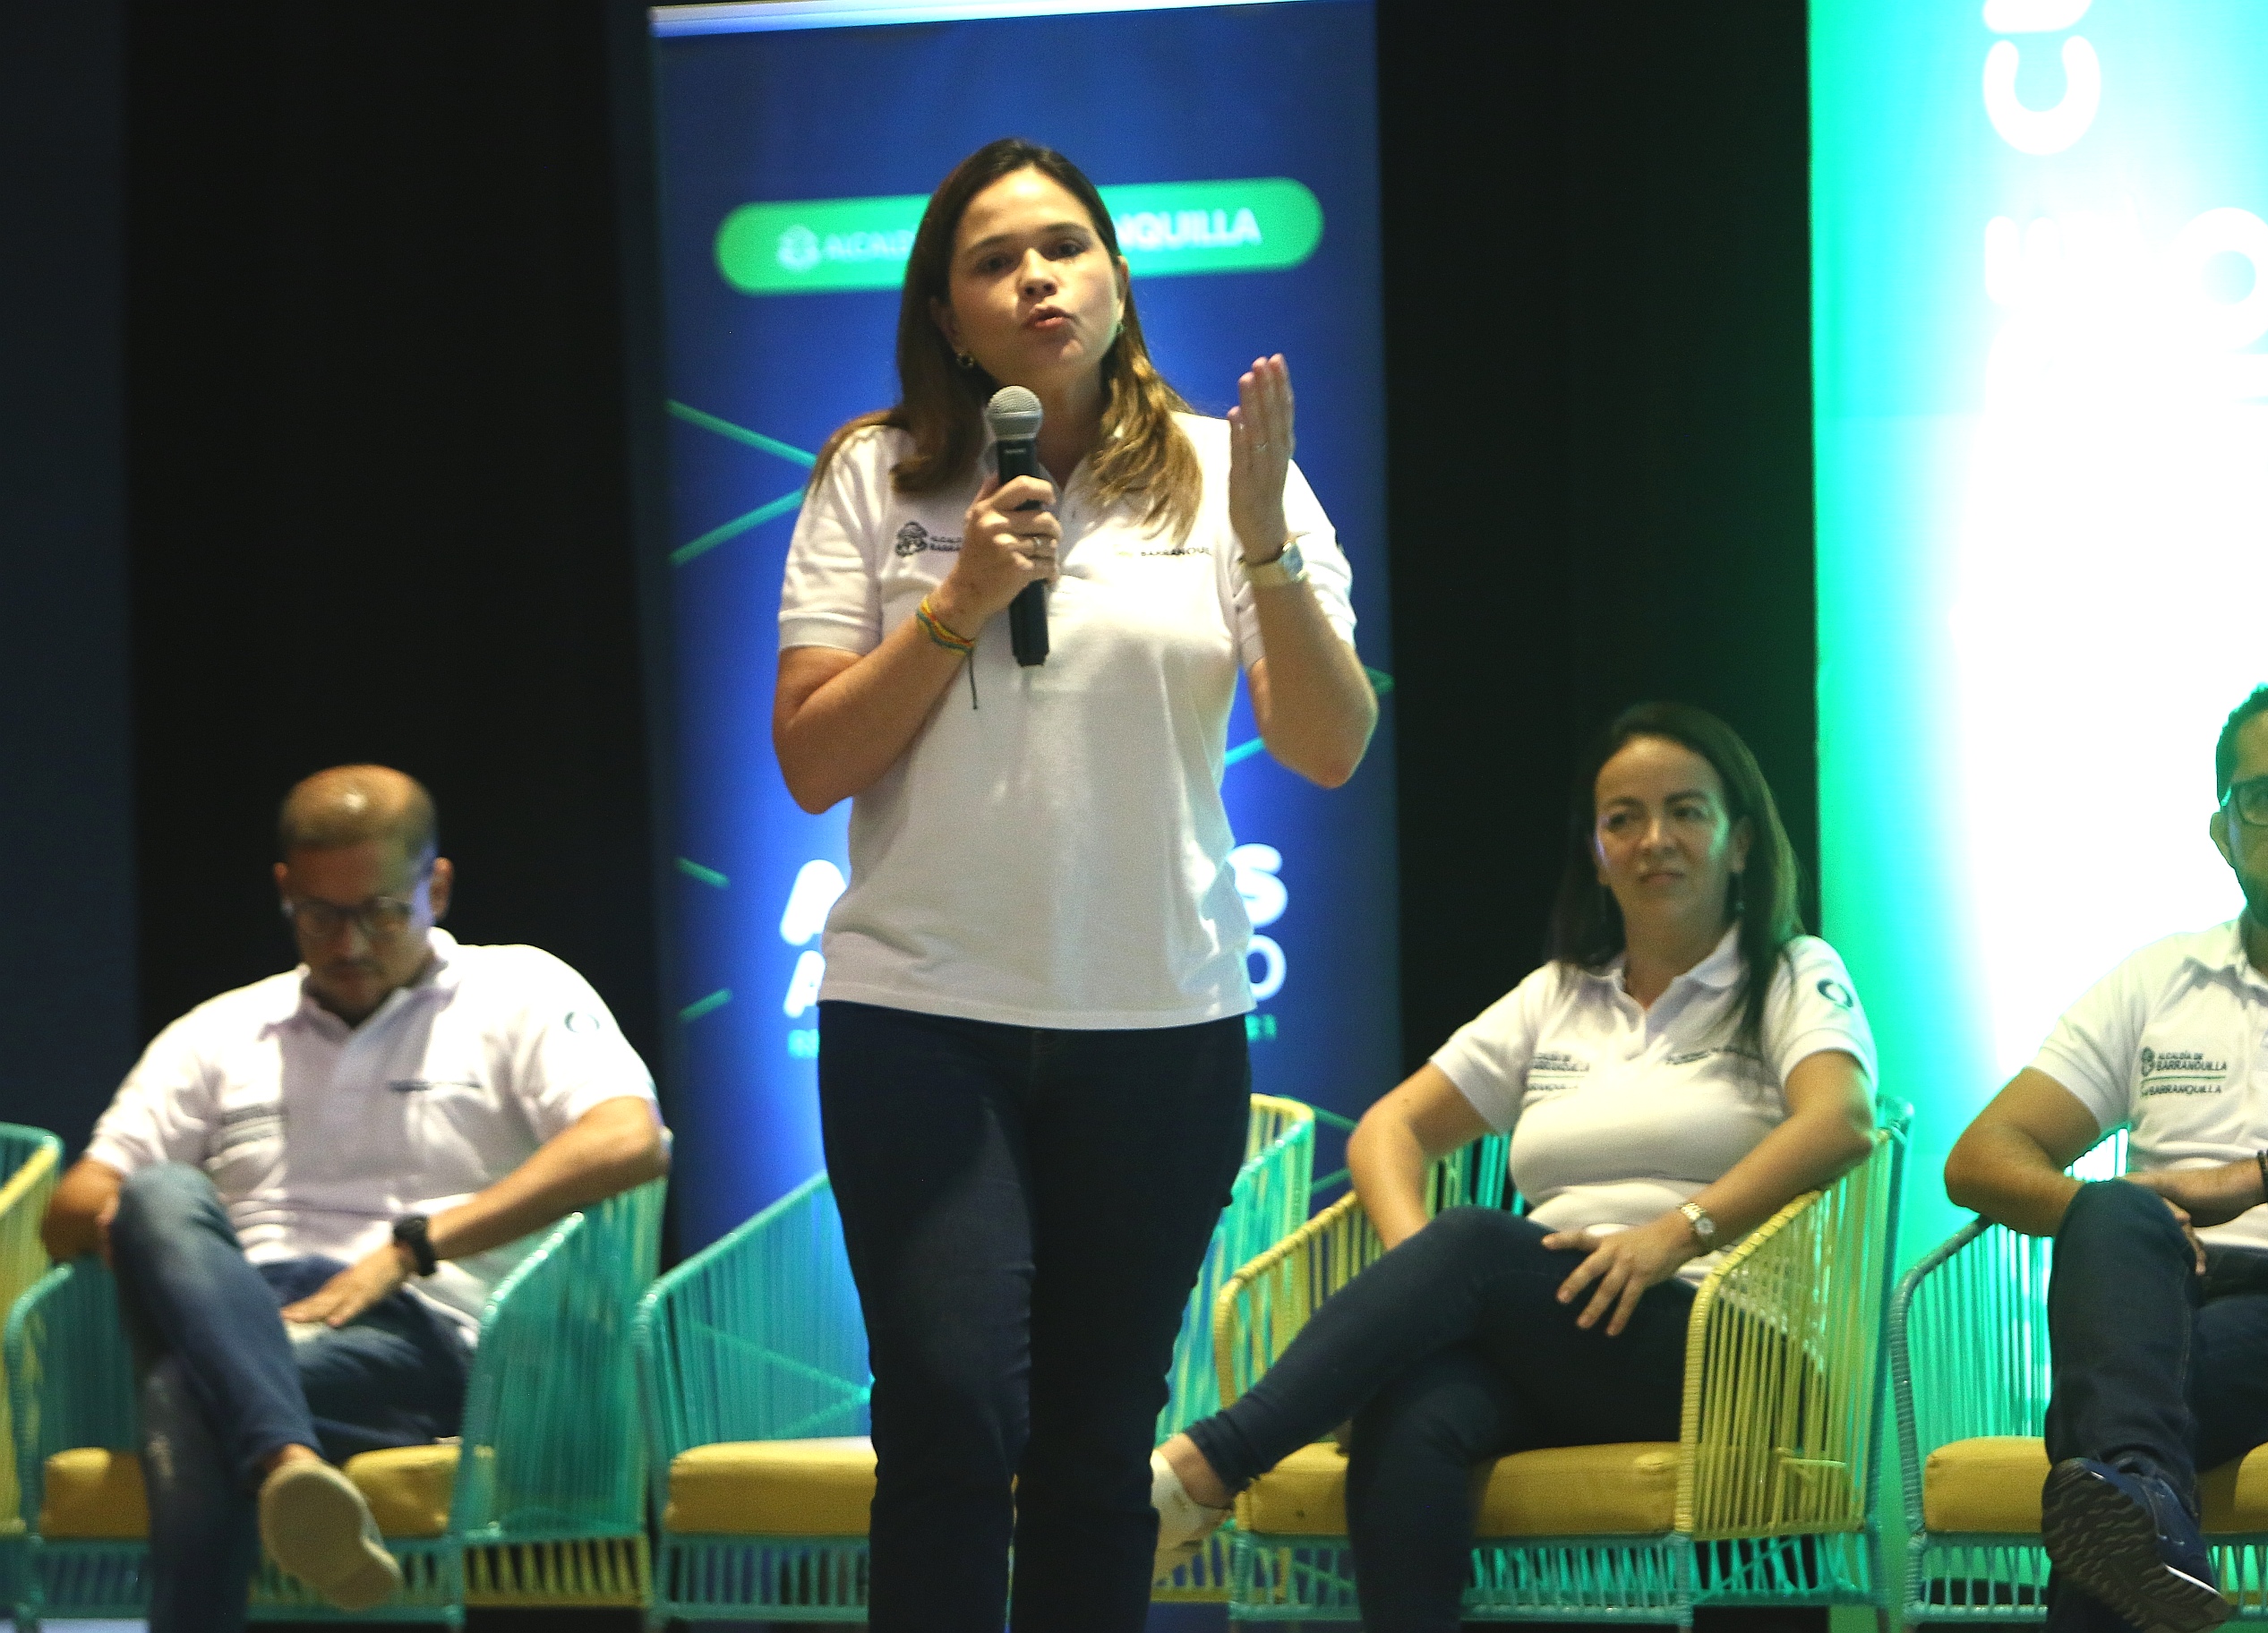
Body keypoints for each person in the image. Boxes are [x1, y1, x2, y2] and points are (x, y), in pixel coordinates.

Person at [768, 137, 1379, 1632]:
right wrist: (961, 600)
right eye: (992, 258)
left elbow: (1327, 742)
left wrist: (1263, 547)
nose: (1034, 274)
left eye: (1063, 245)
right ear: (947, 311)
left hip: (1156, 1022)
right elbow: (807, 756)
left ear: (1114, 275)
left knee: (1101, 1442)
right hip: (922, 1012)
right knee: (949, 1405)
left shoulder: (1229, 471)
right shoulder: (877, 472)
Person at [1150, 702, 1879, 1632]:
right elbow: (1388, 1130)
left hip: (1725, 1340)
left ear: (1740, 843)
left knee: (1476, 1247)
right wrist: (1426, 1286)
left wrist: (1672, 1236)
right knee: (1411, 1411)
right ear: (1597, 850)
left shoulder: (1790, 972)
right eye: (1623, 818)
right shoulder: (1558, 996)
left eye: (1687, 811)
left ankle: (1205, 1466)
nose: (1655, 839)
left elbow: (1842, 1121)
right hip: (1560, 1328)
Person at [40, 765, 668, 1630]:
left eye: (380, 913)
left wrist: (410, 1250)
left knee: (188, 1394)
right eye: (321, 917)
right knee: (158, 1193)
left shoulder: (518, 992)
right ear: (284, 892)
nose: (349, 946)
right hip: (247, 1308)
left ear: (435, 887)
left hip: (426, 1334)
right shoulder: (221, 1031)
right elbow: (71, 1205)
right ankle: (287, 1459)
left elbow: (631, 1139)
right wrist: (131, 1230)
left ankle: (275, 1460)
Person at [1944, 676, 2268, 1633]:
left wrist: (2263, 1178)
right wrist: (2139, 1221)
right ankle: (2148, 1508)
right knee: (2113, 1227)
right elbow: (1983, 1156)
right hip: (2158, 1292)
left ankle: (2133, 1487)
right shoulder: (2156, 977)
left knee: (2098, 1422)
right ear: (2223, 831)